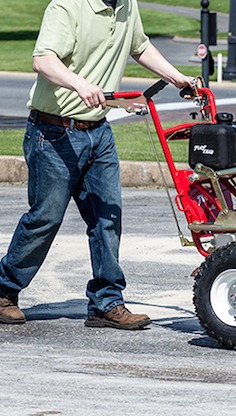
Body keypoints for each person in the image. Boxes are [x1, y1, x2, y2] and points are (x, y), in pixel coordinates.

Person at [0, 0, 195, 329]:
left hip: (98, 131)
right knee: (45, 218)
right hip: (53, 131)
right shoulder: (66, 6)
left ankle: (107, 302)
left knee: (108, 217)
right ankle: (4, 290)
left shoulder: (127, 5)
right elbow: (43, 60)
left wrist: (177, 78)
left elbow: (140, 46)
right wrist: (79, 83)